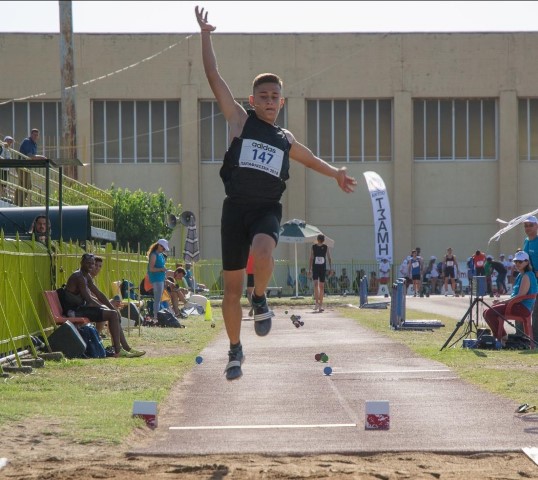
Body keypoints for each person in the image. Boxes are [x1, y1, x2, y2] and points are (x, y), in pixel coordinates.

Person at [195, 6, 357, 380]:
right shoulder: (240, 120)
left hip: (266, 209)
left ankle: (261, 296)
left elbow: (311, 158)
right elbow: (213, 76)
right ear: (253, 101)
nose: (269, 101)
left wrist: (335, 174)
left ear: (281, 103)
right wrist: (205, 35)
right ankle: (235, 349)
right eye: (263, 95)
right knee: (229, 291)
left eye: (275, 97)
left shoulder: (285, 140)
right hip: (234, 210)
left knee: (264, 251)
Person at [63, 253, 145, 358]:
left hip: (81, 308)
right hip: (74, 311)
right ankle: (118, 350)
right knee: (112, 314)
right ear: (81, 263)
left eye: (92, 263)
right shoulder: (79, 277)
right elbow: (89, 300)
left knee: (113, 313)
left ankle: (126, 348)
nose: (91, 266)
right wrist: (106, 308)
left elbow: (99, 294)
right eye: (88, 263)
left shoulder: (86, 276)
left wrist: (110, 308)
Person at [482, 250, 537, 347]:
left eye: (520, 262)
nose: (517, 264)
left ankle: (502, 337)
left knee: (489, 313)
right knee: (486, 312)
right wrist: (502, 302)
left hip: (522, 308)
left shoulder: (527, 276)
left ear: (527, 262)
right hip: (516, 305)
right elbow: (515, 296)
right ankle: (499, 337)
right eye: (516, 261)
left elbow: (520, 297)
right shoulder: (521, 274)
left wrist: (504, 302)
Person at [16, 128, 46, 207]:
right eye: (34, 135)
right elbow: (30, 156)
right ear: (31, 135)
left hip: (27, 167)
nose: (35, 136)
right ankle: (19, 204)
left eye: (37, 135)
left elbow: (33, 157)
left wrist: (39, 158)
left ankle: (17, 202)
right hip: (22, 165)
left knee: (23, 185)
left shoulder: (34, 144)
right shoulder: (27, 141)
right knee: (27, 186)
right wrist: (41, 157)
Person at [522, 215, 538, 342]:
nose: (527, 228)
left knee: (536, 310)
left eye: (530, 225)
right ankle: (522, 337)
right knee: (521, 305)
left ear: (536, 226)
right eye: (525, 226)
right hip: (528, 279)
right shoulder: (526, 241)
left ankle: (535, 339)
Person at [147, 238, 170, 323]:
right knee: (157, 299)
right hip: (156, 279)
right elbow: (151, 269)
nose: (163, 250)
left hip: (160, 279)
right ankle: (156, 317)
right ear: (158, 246)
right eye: (163, 248)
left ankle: (157, 316)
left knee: (159, 299)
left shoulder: (160, 255)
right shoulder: (153, 255)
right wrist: (161, 269)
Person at [309, 234, 332, 311]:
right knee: (316, 285)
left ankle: (321, 305)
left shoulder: (326, 247)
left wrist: (331, 268)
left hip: (322, 268)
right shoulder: (313, 247)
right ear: (318, 240)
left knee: (321, 286)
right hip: (315, 267)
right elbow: (311, 258)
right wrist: (309, 269)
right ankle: (316, 303)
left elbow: (329, 257)